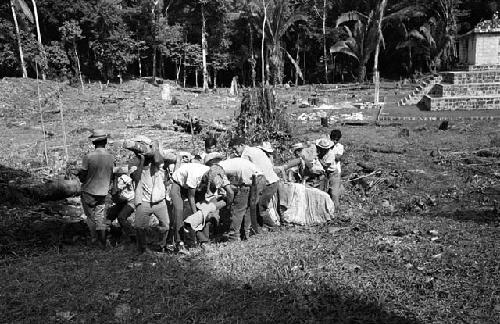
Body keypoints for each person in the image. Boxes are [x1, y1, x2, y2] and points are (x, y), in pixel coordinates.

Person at [230, 137, 280, 231]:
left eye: (235, 148)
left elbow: (245, 174)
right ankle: (259, 228)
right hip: (272, 180)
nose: (235, 151)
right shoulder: (256, 149)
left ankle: (272, 227)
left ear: (241, 145)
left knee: (258, 208)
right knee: (258, 207)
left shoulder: (246, 155)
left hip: (267, 183)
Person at [78, 129, 114, 248]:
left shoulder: (88, 157)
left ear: (94, 143)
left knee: (90, 217)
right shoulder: (110, 157)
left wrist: (78, 174)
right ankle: (102, 242)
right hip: (103, 192)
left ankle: (94, 240)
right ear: (106, 141)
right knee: (100, 217)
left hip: (89, 190)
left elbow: (83, 177)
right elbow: (112, 174)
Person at [217, 157, 263, 241]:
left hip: (248, 182)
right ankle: (247, 235)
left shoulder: (217, 170)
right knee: (248, 210)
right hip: (259, 179)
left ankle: (233, 237)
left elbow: (230, 192)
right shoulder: (229, 163)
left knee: (237, 211)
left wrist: (229, 203)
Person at [133, 151, 170, 254]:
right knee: (139, 226)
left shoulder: (157, 168)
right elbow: (136, 177)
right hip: (144, 202)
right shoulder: (135, 168)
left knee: (166, 225)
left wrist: (154, 150)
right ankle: (142, 248)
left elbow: (158, 160)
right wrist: (142, 162)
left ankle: (161, 245)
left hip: (159, 202)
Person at [170, 162, 212, 253]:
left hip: (195, 186)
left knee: (203, 211)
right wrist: (195, 214)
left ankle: (204, 241)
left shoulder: (213, 172)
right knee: (179, 212)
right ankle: (179, 244)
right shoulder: (195, 175)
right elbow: (191, 197)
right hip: (178, 184)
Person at [107, 167, 135, 246]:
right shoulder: (113, 181)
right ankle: (116, 235)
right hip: (122, 201)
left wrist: (115, 181)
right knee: (110, 215)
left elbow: (116, 191)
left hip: (130, 200)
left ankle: (132, 236)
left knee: (121, 217)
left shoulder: (123, 178)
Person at [315, 133, 344, 212]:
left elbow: (325, 166)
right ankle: (322, 209)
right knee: (321, 191)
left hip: (333, 173)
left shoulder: (330, 154)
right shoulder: (319, 152)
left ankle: (336, 211)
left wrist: (318, 159)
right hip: (325, 174)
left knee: (334, 193)